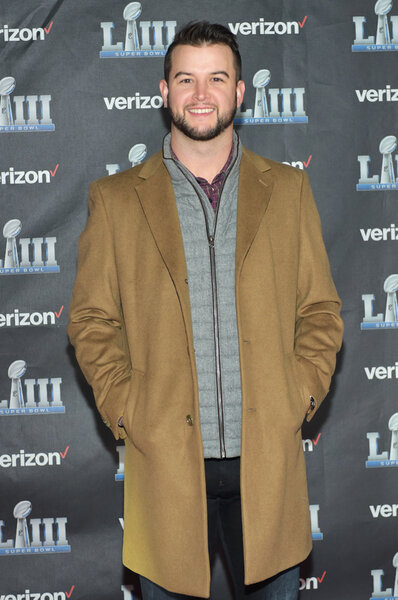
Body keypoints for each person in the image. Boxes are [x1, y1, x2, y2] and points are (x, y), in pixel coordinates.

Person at [68, 21, 343, 600]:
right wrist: (128, 408)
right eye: (185, 78)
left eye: (217, 78)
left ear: (239, 93)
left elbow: (319, 311)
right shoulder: (115, 200)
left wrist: (299, 394)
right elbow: (91, 321)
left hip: (267, 467)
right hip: (165, 464)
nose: (201, 93)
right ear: (163, 90)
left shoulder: (289, 191)